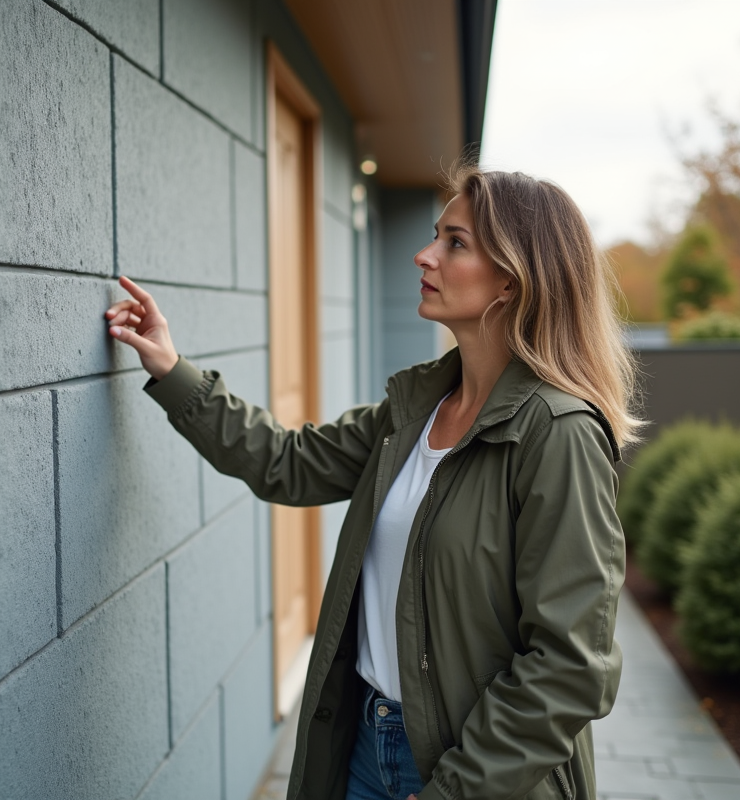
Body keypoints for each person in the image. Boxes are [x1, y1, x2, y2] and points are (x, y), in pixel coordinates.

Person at [105, 165, 642, 800]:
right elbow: (288, 461)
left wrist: (454, 791)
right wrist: (172, 369)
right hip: (365, 746)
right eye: (435, 235)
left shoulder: (556, 433)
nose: (425, 255)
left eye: (455, 242)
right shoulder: (415, 410)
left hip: (475, 774)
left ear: (511, 279)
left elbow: (570, 665)